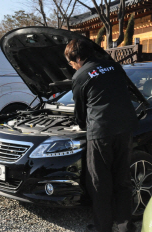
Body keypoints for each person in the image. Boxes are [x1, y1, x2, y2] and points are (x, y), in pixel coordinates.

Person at [64, 39, 137, 232]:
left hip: (101, 132)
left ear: (78, 58)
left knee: (99, 182)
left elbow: (80, 112)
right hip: (125, 127)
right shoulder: (114, 66)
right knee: (122, 179)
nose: (72, 66)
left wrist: (80, 126)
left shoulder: (80, 75)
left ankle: (103, 227)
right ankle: (125, 226)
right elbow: (123, 92)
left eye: (71, 62)